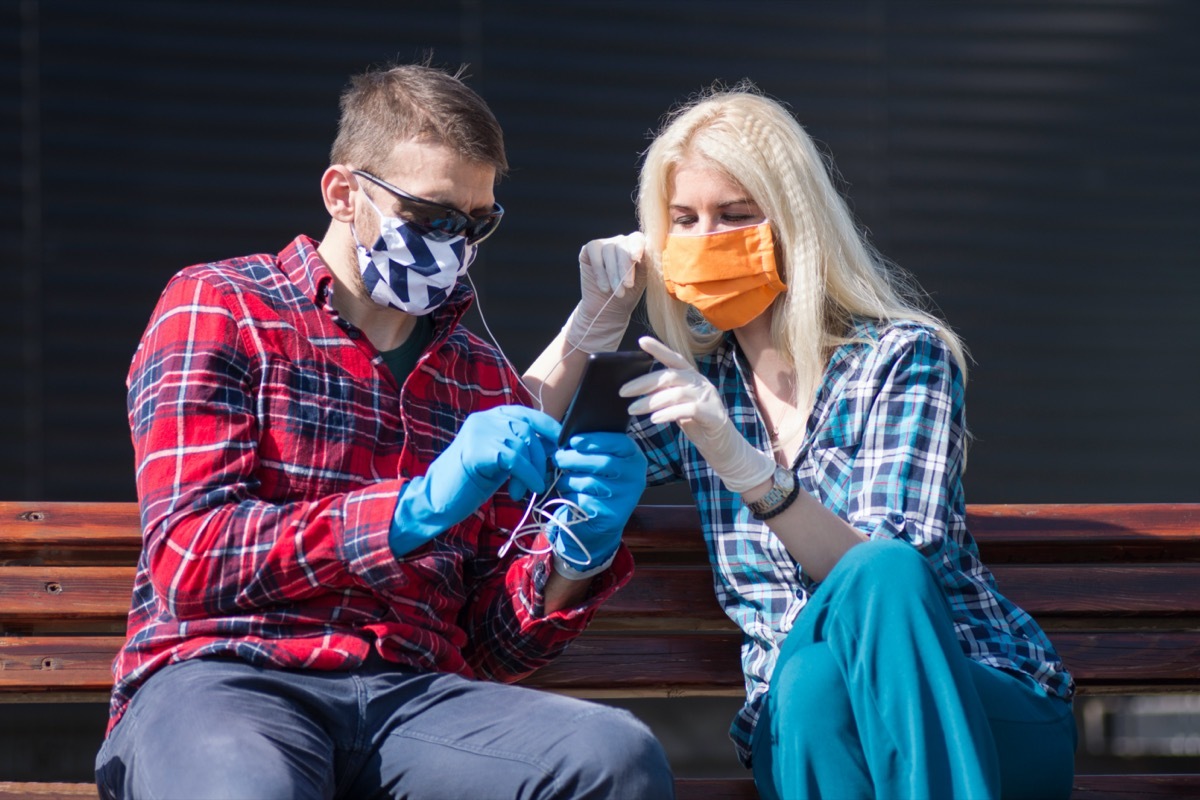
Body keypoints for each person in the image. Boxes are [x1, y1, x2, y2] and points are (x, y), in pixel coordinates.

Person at [95, 62, 674, 800]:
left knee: (611, 756)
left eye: (477, 223)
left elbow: (495, 645)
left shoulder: (479, 373)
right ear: (344, 194)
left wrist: (579, 549)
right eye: (432, 215)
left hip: (413, 700)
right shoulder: (222, 307)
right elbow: (189, 559)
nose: (456, 244)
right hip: (227, 678)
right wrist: (411, 509)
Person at [525, 84, 1077, 799]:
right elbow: (519, 446)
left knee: (879, 576)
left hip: (979, 705)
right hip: (806, 716)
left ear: (793, 222)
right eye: (682, 220)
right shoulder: (691, 386)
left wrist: (748, 470)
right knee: (812, 681)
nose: (703, 240)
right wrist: (590, 326)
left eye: (733, 216)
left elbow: (884, 580)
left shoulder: (899, 359)